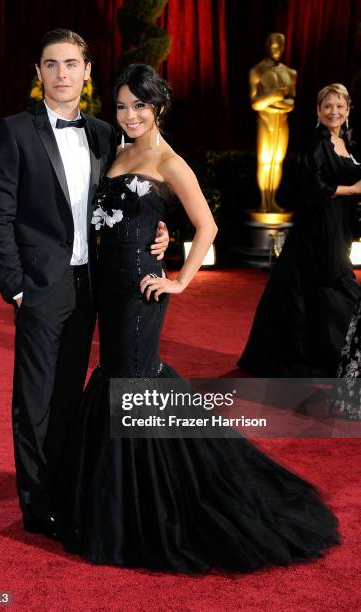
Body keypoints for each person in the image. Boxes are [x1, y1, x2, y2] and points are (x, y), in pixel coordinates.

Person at [57, 64, 340, 573]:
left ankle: (148, 512)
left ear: (157, 107)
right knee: (119, 378)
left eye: (139, 106)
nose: (129, 114)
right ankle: (120, 503)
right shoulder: (118, 153)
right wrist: (156, 234)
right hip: (109, 289)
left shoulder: (171, 162)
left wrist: (180, 279)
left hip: (143, 292)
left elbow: (207, 225)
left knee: (135, 380)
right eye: (121, 106)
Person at [0, 30, 168, 539]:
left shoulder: (108, 134)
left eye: (71, 64)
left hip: (96, 286)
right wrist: (16, 287)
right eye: (50, 64)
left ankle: (66, 490)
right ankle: (38, 506)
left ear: (87, 71)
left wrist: (159, 230)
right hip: (42, 286)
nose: (62, 73)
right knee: (36, 399)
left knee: (71, 396)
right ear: (38, 73)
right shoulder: (15, 131)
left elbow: (133, 197)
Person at [239, 83, 361, 377]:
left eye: (340, 106)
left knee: (309, 286)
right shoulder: (318, 142)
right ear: (319, 111)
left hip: (335, 225)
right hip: (317, 227)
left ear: (348, 110)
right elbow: (312, 188)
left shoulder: (345, 142)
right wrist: (352, 190)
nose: (335, 112)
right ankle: (342, 357)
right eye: (328, 106)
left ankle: (327, 353)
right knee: (332, 282)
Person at [249, 32, 297, 213]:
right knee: (265, 162)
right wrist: (273, 96)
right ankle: (263, 201)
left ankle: (273, 200)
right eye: (275, 46)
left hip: (282, 123)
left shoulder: (290, 73)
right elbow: (255, 103)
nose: (279, 50)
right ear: (267, 46)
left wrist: (274, 102)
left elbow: (291, 102)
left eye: (281, 46)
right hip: (265, 121)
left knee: (277, 162)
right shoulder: (257, 71)